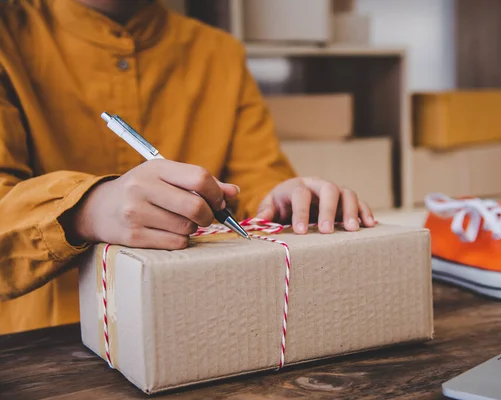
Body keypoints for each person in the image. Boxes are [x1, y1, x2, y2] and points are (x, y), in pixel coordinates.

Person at [0, 0, 375, 335]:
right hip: (47, 344)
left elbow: (258, 180)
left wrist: (284, 201)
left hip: (201, 328)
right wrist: (85, 209)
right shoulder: (9, 38)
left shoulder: (219, 53)